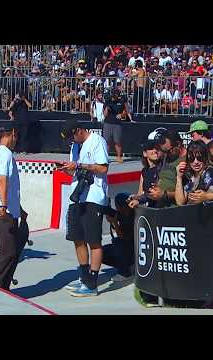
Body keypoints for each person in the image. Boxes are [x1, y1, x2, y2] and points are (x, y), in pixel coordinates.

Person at [58, 119, 109, 297]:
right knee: (77, 238)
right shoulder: (75, 146)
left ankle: (92, 284)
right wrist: (67, 169)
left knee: (93, 240)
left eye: (73, 136)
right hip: (77, 196)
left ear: (79, 130)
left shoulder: (96, 141)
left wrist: (79, 165)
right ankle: (84, 277)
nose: (72, 142)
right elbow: (74, 171)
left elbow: (103, 168)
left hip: (93, 197)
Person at [0, 122, 27, 290]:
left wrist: (20, 210)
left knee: (16, 248)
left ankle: (3, 287)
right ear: (13, 133)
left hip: (11, 210)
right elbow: (2, 180)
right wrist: (3, 205)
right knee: (7, 252)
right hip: (4, 212)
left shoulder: (1, 153)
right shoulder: (5, 154)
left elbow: (10, 187)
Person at [147, 129, 187, 208]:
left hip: (174, 207)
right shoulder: (167, 156)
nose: (165, 154)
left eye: (168, 151)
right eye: (163, 151)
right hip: (159, 202)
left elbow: (189, 191)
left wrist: (164, 194)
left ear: (178, 144)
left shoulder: (189, 160)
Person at [174, 140, 213, 206]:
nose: (196, 162)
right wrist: (179, 177)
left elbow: (209, 201)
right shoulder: (189, 176)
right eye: (192, 158)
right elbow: (180, 202)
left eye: (199, 158)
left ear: (205, 157)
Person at [127, 139, 163, 209]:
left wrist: (140, 200)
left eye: (157, 149)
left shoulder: (162, 169)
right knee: (121, 198)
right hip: (146, 205)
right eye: (151, 148)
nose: (155, 151)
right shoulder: (144, 171)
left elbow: (157, 194)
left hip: (158, 207)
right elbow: (140, 193)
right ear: (145, 153)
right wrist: (135, 197)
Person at [103, 88, 134, 164]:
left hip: (117, 124)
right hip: (108, 123)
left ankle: (119, 157)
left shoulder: (122, 100)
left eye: (117, 94)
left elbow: (126, 110)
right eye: (115, 94)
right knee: (107, 141)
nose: (116, 95)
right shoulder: (108, 101)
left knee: (118, 141)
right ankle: (106, 157)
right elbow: (105, 115)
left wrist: (122, 114)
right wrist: (107, 107)